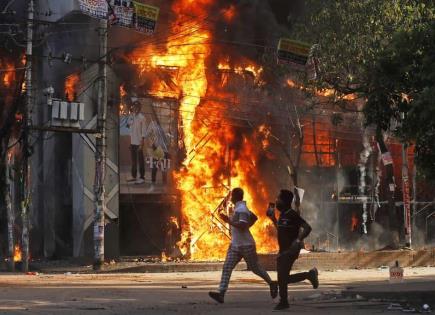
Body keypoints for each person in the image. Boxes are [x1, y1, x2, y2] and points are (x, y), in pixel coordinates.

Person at [209, 187, 278, 304]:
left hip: (246, 245)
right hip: (235, 245)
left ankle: (272, 283)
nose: (230, 197)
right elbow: (254, 218)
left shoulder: (241, 210)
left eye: (231, 195)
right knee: (227, 267)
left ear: (235, 197)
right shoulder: (240, 208)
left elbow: (242, 225)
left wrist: (228, 221)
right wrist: (242, 226)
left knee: (255, 268)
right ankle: (221, 293)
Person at [266, 189, 319, 310]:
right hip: (283, 250)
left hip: (291, 250)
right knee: (283, 278)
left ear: (284, 201)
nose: (276, 201)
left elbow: (307, 228)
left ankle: (284, 301)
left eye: (278, 199)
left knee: (282, 278)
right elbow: (282, 231)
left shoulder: (292, 214)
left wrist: (298, 240)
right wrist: (273, 219)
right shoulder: (283, 215)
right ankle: (309, 275)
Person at [127, 102, 147, 184]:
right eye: (134, 107)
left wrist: (142, 143)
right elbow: (128, 125)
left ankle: (142, 177)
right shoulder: (132, 116)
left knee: (140, 160)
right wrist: (131, 115)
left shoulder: (142, 118)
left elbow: (143, 131)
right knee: (133, 161)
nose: (135, 108)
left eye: (136, 107)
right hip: (132, 142)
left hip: (139, 142)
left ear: (139, 108)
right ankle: (134, 176)